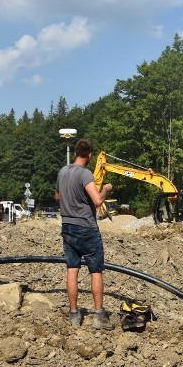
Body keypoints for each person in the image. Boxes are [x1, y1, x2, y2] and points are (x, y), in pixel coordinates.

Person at [55, 138, 114, 330]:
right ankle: (98, 316)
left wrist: (70, 198)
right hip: (86, 228)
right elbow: (97, 201)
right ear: (89, 155)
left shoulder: (63, 172)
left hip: (67, 226)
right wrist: (104, 189)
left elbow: (57, 196)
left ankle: (74, 314)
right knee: (95, 270)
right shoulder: (85, 174)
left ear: (75, 153)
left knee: (72, 269)